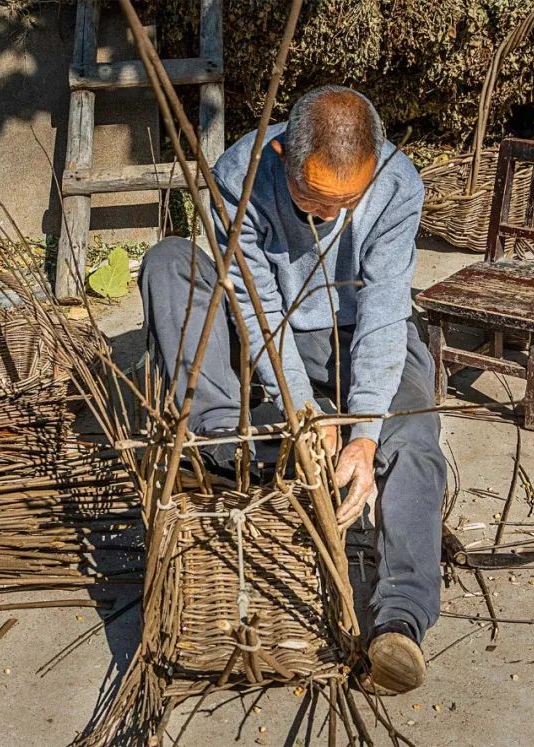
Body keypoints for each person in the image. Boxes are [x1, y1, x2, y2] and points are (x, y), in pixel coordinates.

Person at [138, 85, 445, 694]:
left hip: (361, 330)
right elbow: (260, 313)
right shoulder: (241, 173)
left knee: (412, 437)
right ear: (281, 153)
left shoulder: (397, 184)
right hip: (274, 328)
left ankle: (400, 619)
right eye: (313, 199)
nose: (328, 217)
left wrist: (362, 434)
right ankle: (228, 438)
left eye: (345, 203)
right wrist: (305, 413)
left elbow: (385, 313)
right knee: (170, 262)